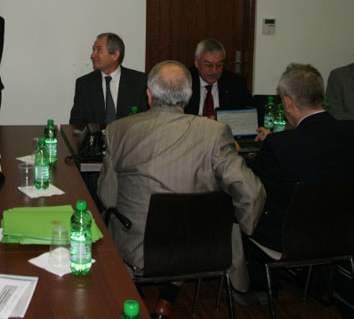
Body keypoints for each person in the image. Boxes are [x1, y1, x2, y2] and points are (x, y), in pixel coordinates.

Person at [98, 60, 265, 319]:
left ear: (149, 95)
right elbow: (251, 193)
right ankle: (169, 296)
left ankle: (135, 295)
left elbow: (107, 196)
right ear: (189, 96)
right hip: (203, 248)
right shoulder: (215, 133)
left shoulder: (117, 130)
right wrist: (244, 229)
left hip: (138, 249)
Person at [243, 63, 354, 304]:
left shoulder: (281, 145)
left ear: (287, 102)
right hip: (345, 234)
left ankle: (257, 288)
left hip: (291, 239)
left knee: (244, 208)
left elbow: (253, 181)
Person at [69, 33, 149, 125]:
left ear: (115, 55)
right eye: (93, 50)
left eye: (99, 50)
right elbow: (76, 123)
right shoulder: (84, 84)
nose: (93, 55)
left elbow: (147, 120)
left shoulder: (139, 81)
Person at [183, 38, 253, 118]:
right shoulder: (184, 82)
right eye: (208, 65)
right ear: (196, 62)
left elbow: (248, 115)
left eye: (219, 65)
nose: (214, 71)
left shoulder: (235, 83)